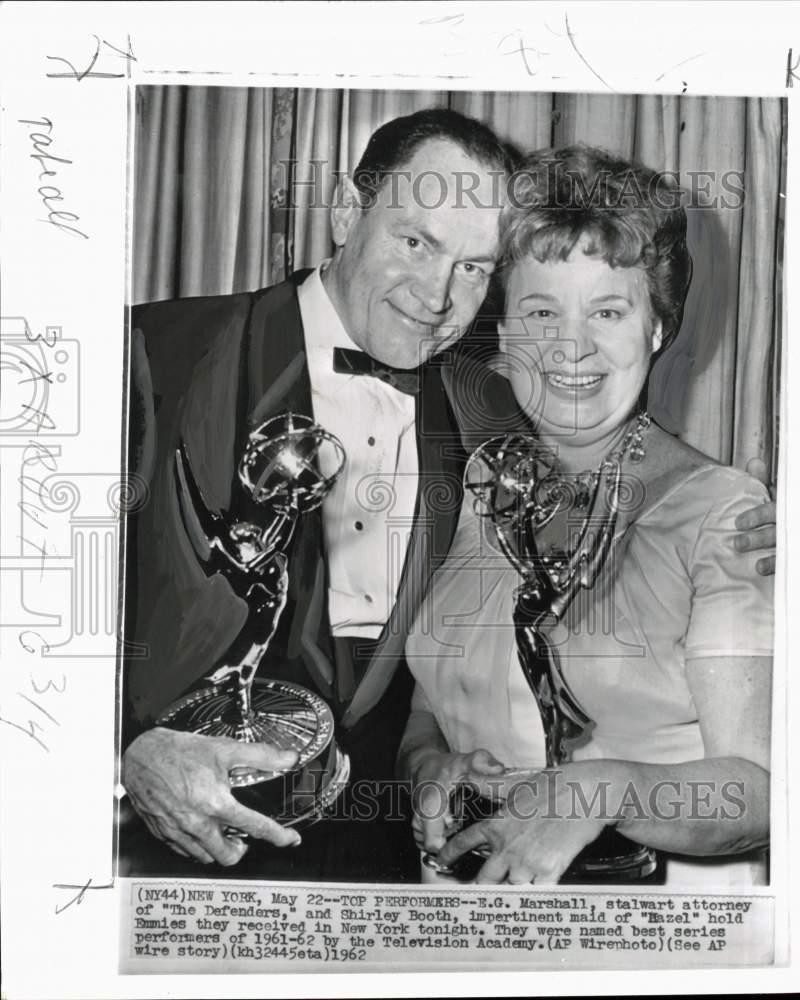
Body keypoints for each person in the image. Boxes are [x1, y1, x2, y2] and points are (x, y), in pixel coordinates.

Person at [121, 111, 776, 884]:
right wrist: (123, 752)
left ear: (659, 327)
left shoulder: (705, 508)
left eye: (473, 266)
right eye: (415, 241)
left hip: (530, 889)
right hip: (175, 858)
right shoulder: (148, 356)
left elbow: (762, 781)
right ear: (344, 211)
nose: (436, 295)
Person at [399, 145, 775, 887]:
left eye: (609, 310)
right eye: (541, 311)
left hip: (653, 925)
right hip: (461, 911)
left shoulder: (724, 513)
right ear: (504, 338)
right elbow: (428, 708)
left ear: (657, 329)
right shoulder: (481, 484)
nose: (572, 346)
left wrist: (604, 790)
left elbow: (760, 793)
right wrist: (431, 769)